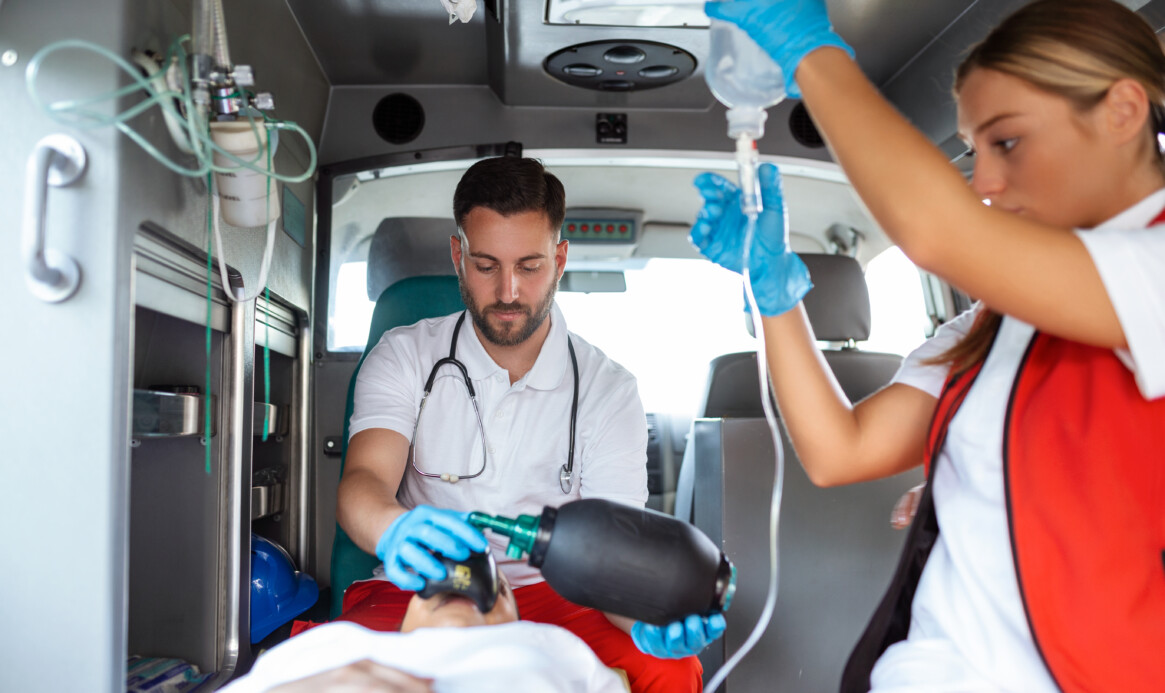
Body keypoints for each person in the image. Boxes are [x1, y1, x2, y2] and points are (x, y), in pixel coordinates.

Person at [691, 1, 1165, 692]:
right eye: (972, 154)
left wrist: (806, 53)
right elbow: (839, 450)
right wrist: (775, 297)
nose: (983, 184)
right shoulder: (990, 324)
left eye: (1005, 143)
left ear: (1122, 112)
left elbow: (937, 233)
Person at [336, 156, 723, 692]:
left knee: (668, 670)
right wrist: (393, 528)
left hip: (563, 596)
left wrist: (647, 623)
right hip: (428, 586)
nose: (509, 292)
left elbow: (613, 564)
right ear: (458, 255)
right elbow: (364, 482)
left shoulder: (609, 390)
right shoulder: (404, 355)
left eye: (530, 266)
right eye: (487, 265)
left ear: (560, 259)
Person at [222, 572, 629, 693]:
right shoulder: (336, 643)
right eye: (436, 584)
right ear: (403, 621)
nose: (462, 584)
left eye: (497, 588)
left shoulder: (556, 645)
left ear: (519, 624)